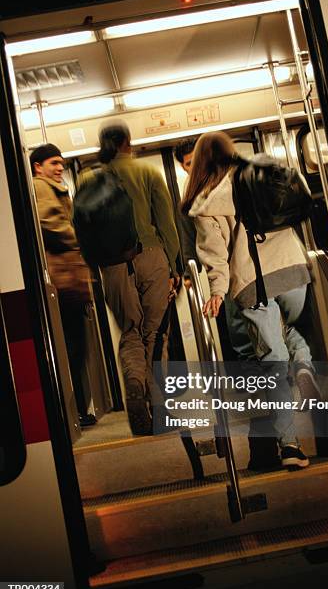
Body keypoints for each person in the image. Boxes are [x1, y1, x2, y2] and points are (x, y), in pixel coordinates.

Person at [182, 131, 320, 469]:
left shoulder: (205, 202)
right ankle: (303, 367)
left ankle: (289, 446)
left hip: (251, 282)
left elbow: (215, 254)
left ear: (199, 162)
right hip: (291, 269)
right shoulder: (260, 173)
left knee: (271, 358)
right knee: (291, 333)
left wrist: (217, 291)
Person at [97, 120, 181, 436]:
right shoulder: (147, 173)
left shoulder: (90, 179)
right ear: (128, 143)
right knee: (155, 333)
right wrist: (175, 268)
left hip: (113, 266)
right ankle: (160, 407)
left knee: (130, 332)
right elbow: (167, 225)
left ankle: (134, 383)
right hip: (151, 257)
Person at [30, 143, 96, 428]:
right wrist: (81, 239)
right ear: (38, 166)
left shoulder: (52, 187)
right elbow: (50, 224)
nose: (59, 168)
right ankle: (74, 412)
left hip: (69, 279)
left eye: (61, 163)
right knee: (71, 348)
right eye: (54, 163)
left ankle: (78, 411)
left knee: (75, 348)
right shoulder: (40, 187)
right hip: (64, 278)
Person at [175, 137, 255, 361]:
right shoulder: (191, 197)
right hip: (227, 268)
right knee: (241, 331)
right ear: (183, 167)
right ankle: (258, 385)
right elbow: (190, 238)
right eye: (190, 163)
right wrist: (190, 271)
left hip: (250, 263)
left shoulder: (230, 181)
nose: (196, 166)